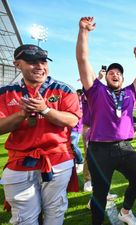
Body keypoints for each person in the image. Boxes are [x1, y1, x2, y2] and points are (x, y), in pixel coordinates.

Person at [76, 17, 136, 225]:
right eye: (112, 72)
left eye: (119, 73)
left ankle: (126, 210)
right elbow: (82, 60)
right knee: (100, 193)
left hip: (124, 147)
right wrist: (84, 32)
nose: (115, 74)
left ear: (123, 79)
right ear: (106, 77)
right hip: (99, 149)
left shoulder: (129, 92)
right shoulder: (96, 89)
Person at [0, 44, 81, 225]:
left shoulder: (64, 89)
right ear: (17, 64)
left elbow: (73, 120)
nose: (39, 66)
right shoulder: (5, 93)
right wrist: (21, 114)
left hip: (58, 160)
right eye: (31, 61)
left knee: (55, 210)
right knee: (23, 218)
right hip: (19, 162)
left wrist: (45, 110)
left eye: (43, 61)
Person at [71, 89, 84, 174]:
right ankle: (75, 162)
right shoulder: (72, 103)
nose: (78, 96)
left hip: (77, 128)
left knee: (73, 144)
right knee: (69, 146)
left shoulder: (83, 104)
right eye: (77, 95)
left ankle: (80, 162)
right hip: (69, 128)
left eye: (79, 95)